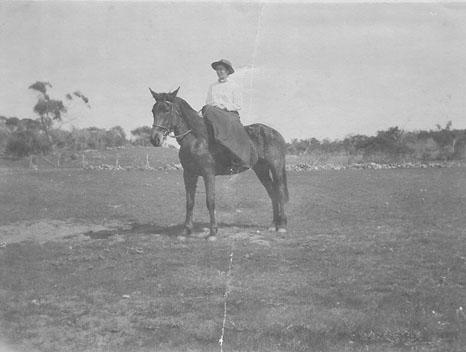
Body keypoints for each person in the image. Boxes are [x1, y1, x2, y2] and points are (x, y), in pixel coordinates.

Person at [202, 59, 257, 172]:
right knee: (205, 112)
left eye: (222, 69)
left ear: (227, 71)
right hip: (214, 114)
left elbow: (238, 105)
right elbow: (208, 101)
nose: (219, 72)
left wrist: (223, 106)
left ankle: (237, 157)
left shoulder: (234, 86)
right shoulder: (212, 86)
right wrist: (214, 107)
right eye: (217, 70)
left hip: (229, 114)